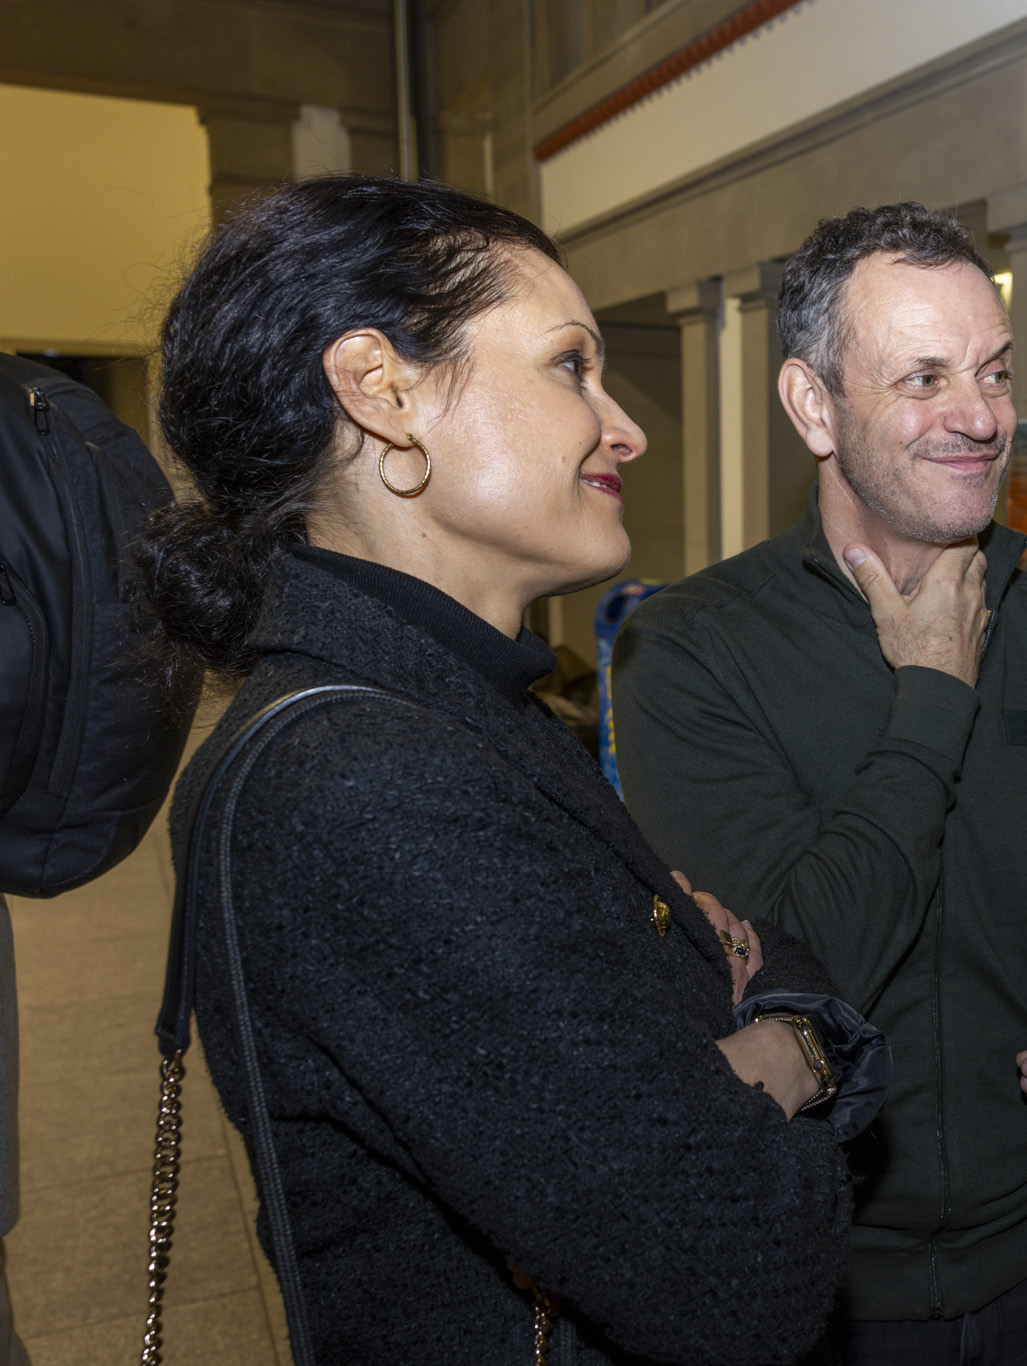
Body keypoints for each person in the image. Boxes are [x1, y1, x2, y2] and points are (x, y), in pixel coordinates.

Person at [137, 175, 881, 1364]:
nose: (625, 428)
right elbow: (743, 1268)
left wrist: (707, 1020)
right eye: (569, 364)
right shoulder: (366, 784)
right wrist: (794, 1041)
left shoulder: (445, 710)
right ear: (381, 392)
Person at [611, 202, 1027, 1364]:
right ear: (813, 405)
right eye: (923, 378)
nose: (980, 417)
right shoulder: (694, 651)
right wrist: (932, 691)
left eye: (994, 371)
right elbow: (795, 975)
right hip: (826, 1295)